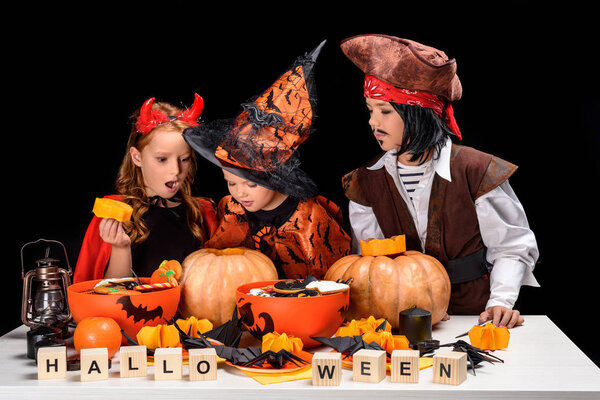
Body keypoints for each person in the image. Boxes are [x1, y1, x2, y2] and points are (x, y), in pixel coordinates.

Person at [340, 34, 539, 328]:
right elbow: (370, 265)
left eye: (384, 111)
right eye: (370, 110)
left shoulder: (476, 171)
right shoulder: (365, 182)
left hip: (473, 316)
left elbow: (511, 246)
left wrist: (501, 302)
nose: (373, 122)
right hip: (401, 319)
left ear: (417, 112)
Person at [183, 41, 351, 279]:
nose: (240, 193)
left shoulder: (310, 220)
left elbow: (332, 281)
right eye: (231, 182)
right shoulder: (230, 209)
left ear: (276, 175)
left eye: (251, 184)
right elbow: (213, 267)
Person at [73, 94, 218, 282]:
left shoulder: (202, 214)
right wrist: (120, 248)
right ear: (137, 157)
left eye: (184, 159)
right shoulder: (114, 214)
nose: (175, 171)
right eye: (162, 159)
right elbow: (109, 294)